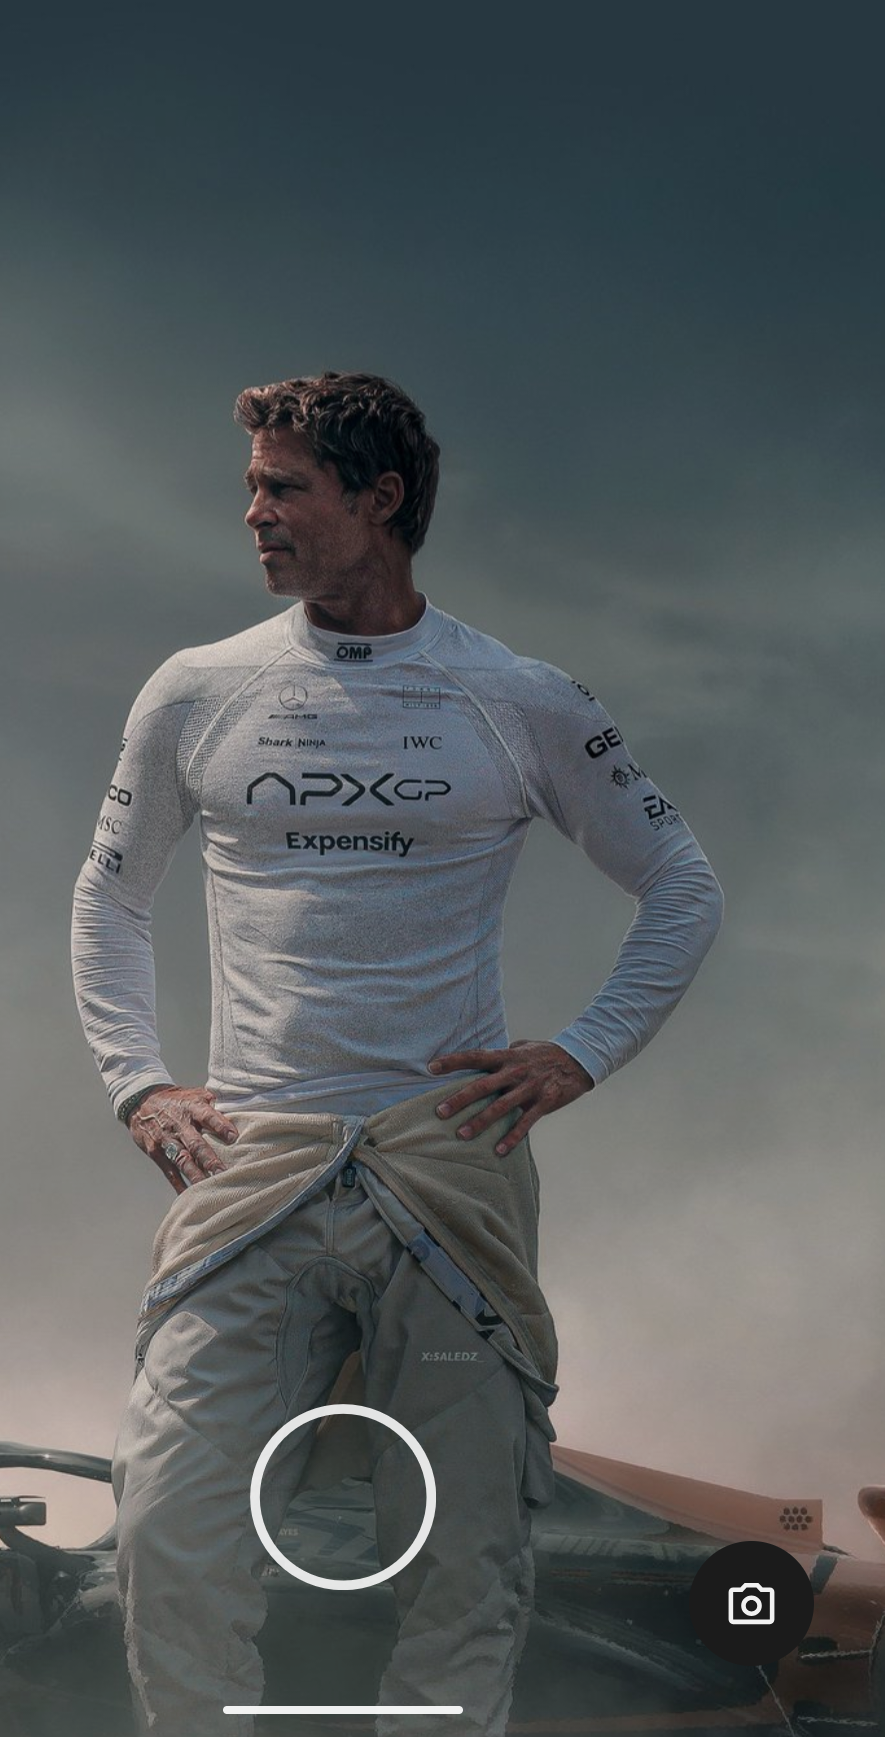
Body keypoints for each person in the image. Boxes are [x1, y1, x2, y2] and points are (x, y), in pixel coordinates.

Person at [72, 370, 723, 1737]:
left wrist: (582, 1054)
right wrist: (137, 1084)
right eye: (252, 487)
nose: (255, 514)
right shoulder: (199, 690)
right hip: (251, 1161)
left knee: (465, 1556)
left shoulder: (517, 696)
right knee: (170, 1524)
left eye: (285, 487)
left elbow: (681, 883)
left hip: (445, 1164)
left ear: (380, 500)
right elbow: (110, 897)